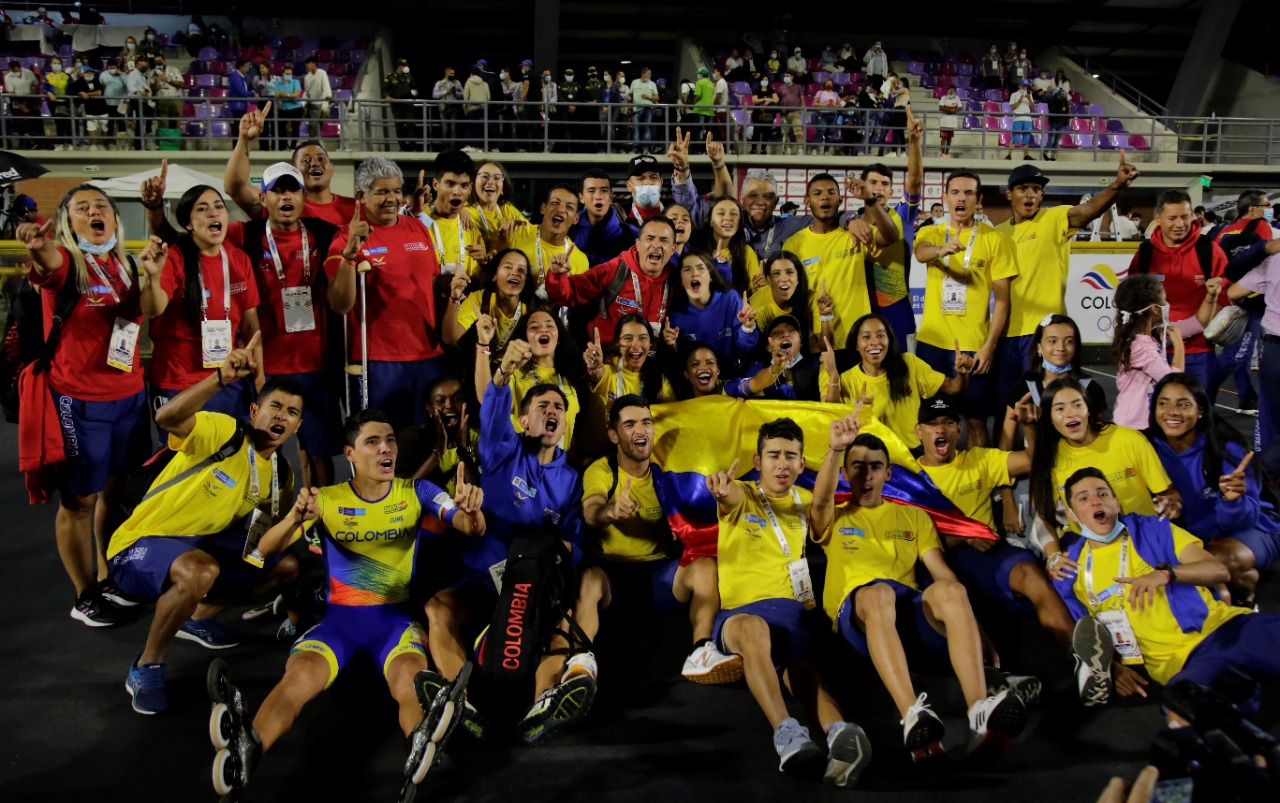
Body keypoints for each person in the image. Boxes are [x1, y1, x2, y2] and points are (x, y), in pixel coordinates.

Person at [204, 408, 485, 796]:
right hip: (338, 625)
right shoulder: (325, 499)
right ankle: (249, 745)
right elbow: (261, 552)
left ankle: (419, 743)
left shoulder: (418, 492)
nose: (386, 448)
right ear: (350, 454)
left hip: (395, 624)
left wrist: (471, 511)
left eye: (389, 440)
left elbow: (470, 528)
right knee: (298, 677)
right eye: (373, 442)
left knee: (409, 679)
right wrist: (293, 520)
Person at [811, 425, 1026, 763]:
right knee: (879, 593)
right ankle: (912, 714)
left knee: (951, 590)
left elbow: (941, 573)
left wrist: (974, 626)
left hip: (907, 614)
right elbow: (820, 500)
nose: (866, 475)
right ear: (844, 473)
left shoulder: (915, 517)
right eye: (857, 467)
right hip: (858, 616)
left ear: (888, 473)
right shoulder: (834, 516)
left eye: (875, 466)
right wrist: (835, 448)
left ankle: (979, 711)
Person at [109, 354, 304, 713]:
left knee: (284, 567)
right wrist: (219, 378)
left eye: (291, 412)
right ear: (253, 411)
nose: (281, 415)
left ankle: (197, 617)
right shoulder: (223, 431)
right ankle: (145, 666)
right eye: (274, 406)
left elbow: (263, 541)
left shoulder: (282, 473)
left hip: (200, 549)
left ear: (297, 425)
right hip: (141, 542)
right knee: (200, 570)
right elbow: (167, 417)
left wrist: (299, 520)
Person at [424, 342, 589, 744]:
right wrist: (501, 375)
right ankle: (457, 701)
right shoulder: (502, 451)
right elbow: (492, 414)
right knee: (437, 608)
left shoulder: (572, 480)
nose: (552, 412)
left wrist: (557, 552)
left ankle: (543, 703)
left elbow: (575, 542)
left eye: (559, 408)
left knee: (559, 629)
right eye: (542, 407)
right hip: (484, 580)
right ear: (523, 420)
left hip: (533, 586)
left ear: (566, 423)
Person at [705, 418, 873, 786]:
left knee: (802, 673)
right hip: (741, 615)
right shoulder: (742, 495)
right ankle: (787, 733)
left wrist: (836, 450)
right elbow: (727, 494)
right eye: (774, 455)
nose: (782, 464)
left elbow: (826, 499)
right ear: (758, 460)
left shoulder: (805, 502)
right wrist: (720, 490)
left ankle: (840, 732)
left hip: (793, 615)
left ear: (801, 464)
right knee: (753, 630)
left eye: (791, 457)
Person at [17, 186, 152, 625]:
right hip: (79, 402)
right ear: (67, 224)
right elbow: (49, 266)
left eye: (102, 207)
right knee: (79, 501)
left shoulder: (126, 264)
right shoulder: (68, 264)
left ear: (115, 219)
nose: (95, 212)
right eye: (82, 208)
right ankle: (85, 593)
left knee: (116, 495)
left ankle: (109, 574)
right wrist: (40, 249)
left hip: (129, 398)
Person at [1051, 467, 1280, 722]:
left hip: (1228, 629)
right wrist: (1112, 668)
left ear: (1116, 502)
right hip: (1185, 662)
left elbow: (1217, 570)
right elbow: (1084, 637)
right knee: (1181, 722)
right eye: (1083, 498)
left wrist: (1165, 574)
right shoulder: (1070, 570)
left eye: (1103, 493)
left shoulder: (1153, 529)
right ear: (1071, 515)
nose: (1096, 501)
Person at [915, 395, 1090, 701]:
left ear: (958, 429)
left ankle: (1084, 661)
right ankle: (997, 680)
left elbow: (1034, 460)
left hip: (988, 555)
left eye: (946, 422)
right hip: (938, 559)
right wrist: (965, 536)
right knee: (952, 603)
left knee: (1031, 574)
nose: (939, 429)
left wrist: (1029, 427)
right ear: (919, 431)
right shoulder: (909, 478)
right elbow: (909, 538)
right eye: (931, 424)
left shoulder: (980, 459)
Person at [581, 394, 740, 683]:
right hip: (613, 577)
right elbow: (591, 512)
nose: (640, 430)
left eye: (646, 422)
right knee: (589, 578)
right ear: (614, 435)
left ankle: (701, 651)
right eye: (630, 425)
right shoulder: (603, 471)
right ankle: (581, 662)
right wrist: (610, 511)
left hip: (658, 577)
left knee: (704, 566)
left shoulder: (667, 474)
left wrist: (724, 497)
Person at [995, 159, 1139, 402]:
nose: (1030, 195)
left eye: (1036, 189)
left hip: (1044, 333)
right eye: (1023, 189)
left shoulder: (1055, 218)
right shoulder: (997, 233)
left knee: (1051, 404)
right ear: (1009, 194)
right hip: (1006, 334)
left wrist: (1117, 185)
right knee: (1006, 406)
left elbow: (1090, 209)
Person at [324, 156, 443, 432]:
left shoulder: (417, 228)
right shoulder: (345, 237)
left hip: (428, 355)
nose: (392, 198)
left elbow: (433, 282)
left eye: (396, 190)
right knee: (382, 441)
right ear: (361, 196)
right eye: (382, 192)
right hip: (378, 360)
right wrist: (350, 256)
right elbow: (339, 304)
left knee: (427, 439)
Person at [1146, 373, 1280, 607]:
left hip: (1248, 529)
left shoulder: (1226, 447)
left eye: (1183, 404)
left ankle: (1238, 594)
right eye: (1163, 403)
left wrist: (1232, 501)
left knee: (1211, 563)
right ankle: (1238, 581)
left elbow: (1241, 521)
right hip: (1194, 537)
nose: (1172, 412)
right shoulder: (1144, 448)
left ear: (1200, 411)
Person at [913, 171, 1018, 446]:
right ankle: (935, 480)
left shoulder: (995, 240)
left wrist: (989, 347)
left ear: (978, 200)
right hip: (932, 343)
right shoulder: (931, 231)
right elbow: (920, 252)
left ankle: (978, 484)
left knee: (975, 421)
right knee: (932, 420)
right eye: (956, 192)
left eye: (969, 193)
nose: (962, 198)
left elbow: (1003, 301)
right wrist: (942, 250)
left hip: (973, 345)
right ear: (946, 197)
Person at [142, 185, 264, 418]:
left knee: (232, 452)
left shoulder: (239, 260)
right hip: (179, 383)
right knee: (185, 454)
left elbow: (251, 326)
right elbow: (152, 309)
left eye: (219, 206)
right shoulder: (175, 259)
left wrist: (260, 379)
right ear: (188, 224)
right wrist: (152, 277)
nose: (213, 213)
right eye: (202, 208)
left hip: (229, 380)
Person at [1028, 377, 1182, 558]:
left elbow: (1169, 494)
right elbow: (1045, 517)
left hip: (1144, 541)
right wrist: (1054, 557)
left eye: (1077, 405)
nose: (1071, 414)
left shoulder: (1129, 440)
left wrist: (1172, 504)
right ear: (1050, 419)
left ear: (1089, 411)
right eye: (1060, 409)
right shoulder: (1050, 458)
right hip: (1094, 551)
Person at [997, 314, 1108, 541]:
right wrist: (1007, 501)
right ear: (1039, 347)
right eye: (1052, 341)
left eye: (1069, 341)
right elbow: (1002, 454)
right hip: (1035, 479)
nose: (1061, 348)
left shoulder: (1091, 389)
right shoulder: (1022, 390)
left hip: (1079, 478)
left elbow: (1102, 442)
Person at [1128, 189, 1229, 401]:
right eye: (1172, 218)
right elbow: (1133, 302)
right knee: (1155, 418)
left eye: (1185, 217)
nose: (1180, 224)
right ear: (1158, 218)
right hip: (1156, 354)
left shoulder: (1209, 250)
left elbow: (1225, 296)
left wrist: (1203, 326)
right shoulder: (1145, 254)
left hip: (1200, 353)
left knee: (1201, 416)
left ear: (1193, 215)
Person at [782, 174, 898, 350]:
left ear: (840, 199)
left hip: (857, 341)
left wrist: (869, 198)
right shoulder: (794, 244)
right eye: (817, 193)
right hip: (817, 343)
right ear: (807, 201)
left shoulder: (855, 233)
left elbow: (890, 236)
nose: (825, 197)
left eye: (831, 192)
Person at [821, 314, 970, 449]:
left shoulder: (910, 364)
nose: (874, 342)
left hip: (914, 454)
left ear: (889, 340)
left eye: (881, 335)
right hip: (873, 458)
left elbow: (953, 388)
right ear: (856, 345)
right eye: (866, 337)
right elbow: (830, 418)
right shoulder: (847, 379)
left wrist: (962, 374)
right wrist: (834, 377)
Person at [545, 216, 676, 349]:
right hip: (606, 359)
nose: (656, 245)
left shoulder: (676, 281)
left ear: (672, 249)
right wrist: (558, 276)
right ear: (638, 243)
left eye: (664, 240)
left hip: (646, 360)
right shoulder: (615, 270)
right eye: (650, 238)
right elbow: (568, 294)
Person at [1110, 274, 1218, 430]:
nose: (1167, 305)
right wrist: (1179, 345)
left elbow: (1198, 323)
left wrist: (1211, 296)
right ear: (1154, 309)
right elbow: (1173, 380)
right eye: (1164, 300)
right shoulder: (1141, 347)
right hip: (1135, 425)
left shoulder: (1149, 336)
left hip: (1142, 421)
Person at [475, 306, 586, 453]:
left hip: (555, 468)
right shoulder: (513, 373)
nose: (543, 329)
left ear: (558, 338)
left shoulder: (569, 378)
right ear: (525, 338)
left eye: (549, 325)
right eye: (534, 327)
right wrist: (483, 344)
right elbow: (486, 398)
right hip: (521, 465)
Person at [225, 104, 358, 227]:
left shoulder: (356, 208)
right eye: (306, 161)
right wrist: (245, 139)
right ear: (294, 171)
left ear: (331, 168)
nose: (315, 163)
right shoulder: (281, 204)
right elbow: (235, 187)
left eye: (321, 159)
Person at [860, 121, 924, 351]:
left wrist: (914, 142)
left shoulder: (902, 215)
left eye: (885, 184)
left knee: (903, 373)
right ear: (862, 186)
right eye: (873, 182)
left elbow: (915, 181)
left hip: (898, 308)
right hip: (861, 308)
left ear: (891, 191)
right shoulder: (851, 224)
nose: (879, 188)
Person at [663, 249, 758, 372]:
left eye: (701, 268)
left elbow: (746, 348)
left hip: (733, 374)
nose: (694, 274)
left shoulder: (730, 298)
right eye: (687, 269)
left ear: (711, 276)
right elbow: (679, 360)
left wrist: (747, 328)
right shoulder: (676, 314)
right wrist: (672, 346)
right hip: (699, 379)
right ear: (680, 280)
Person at [498, 183, 590, 293]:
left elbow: (577, 303)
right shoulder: (515, 234)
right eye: (555, 203)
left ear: (576, 218)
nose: (561, 209)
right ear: (543, 208)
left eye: (569, 207)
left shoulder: (580, 260)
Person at [442, 248, 536, 351]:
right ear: (494, 275)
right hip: (482, 364)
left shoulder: (533, 308)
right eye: (508, 267)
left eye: (521, 270)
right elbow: (449, 338)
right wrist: (454, 298)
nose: (515, 273)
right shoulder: (480, 299)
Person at [417, 149, 484, 278]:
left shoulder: (470, 227)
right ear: (436, 184)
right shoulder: (419, 221)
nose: (457, 191)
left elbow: (476, 279)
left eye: (464, 186)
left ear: (470, 189)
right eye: (450, 184)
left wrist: (482, 264)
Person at [726, 314, 820, 400]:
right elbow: (731, 389)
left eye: (791, 330)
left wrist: (833, 376)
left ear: (801, 342)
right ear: (768, 347)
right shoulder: (757, 368)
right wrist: (774, 370)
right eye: (776, 333)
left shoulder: (817, 367)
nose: (785, 334)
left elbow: (830, 408)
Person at [747, 250, 825, 352]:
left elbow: (825, 347)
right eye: (776, 273)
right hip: (771, 357)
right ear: (768, 279)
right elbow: (756, 350)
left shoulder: (811, 298)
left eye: (789, 272)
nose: (784, 279)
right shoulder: (756, 304)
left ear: (798, 277)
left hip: (809, 355)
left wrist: (826, 316)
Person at [570, 168, 638, 266]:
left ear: (611, 196)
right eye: (591, 191)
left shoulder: (632, 234)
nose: (598, 196)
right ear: (581, 198)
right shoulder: (569, 231)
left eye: (604, 190)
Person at [467, 160, 528, 254]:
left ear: (502, 188)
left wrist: (517, 222)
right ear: (473, 183)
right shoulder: (464, 211)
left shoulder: (506, 208)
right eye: (485, 176)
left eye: (496, 178)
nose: (490, 182)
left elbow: (529, 230)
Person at [384, 58, 421, 150]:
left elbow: (414, 87)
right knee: (399, 125)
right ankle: (402, 146)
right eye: (404, 66)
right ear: (399, 66)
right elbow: (384, 89)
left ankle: (412, 145)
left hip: (408, 104)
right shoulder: (390, 77)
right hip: (396, 105)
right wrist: (386, 96)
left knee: (410, 124)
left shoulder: (408, 76)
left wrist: (415, 92)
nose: (405, 67)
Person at [271, 66, 304, 152]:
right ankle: (283, 146)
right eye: (287, 74)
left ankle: (293, 147)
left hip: (296, 107)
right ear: (283, 74)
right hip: (284, 108)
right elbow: (276, 95)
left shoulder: (295, 82)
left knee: (295, 127)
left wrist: (285, 95)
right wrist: (289, 95)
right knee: (281, 127)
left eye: (290, 74)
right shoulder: (278, 84)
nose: (289, 75)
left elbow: (296, 94)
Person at [1006, 80, 1034, 161]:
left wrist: (1029, 99)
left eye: (1026, 86)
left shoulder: (1029, 95)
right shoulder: (1014, 95)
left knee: (1026, 137)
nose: (1025, 87)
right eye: (1023, 86)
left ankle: (1026, 155)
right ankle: (1009, 155)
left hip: (1028, 118)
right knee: (1015, 137)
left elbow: (1032, 107)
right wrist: (1020, 100)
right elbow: (1012, 107)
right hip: (1017, 118)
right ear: (1019, 86)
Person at [302, 57, 332, 132]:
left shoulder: (322, 73)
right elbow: (307, 91)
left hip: (320, 101)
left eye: (309, 64)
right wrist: (304, 103)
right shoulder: (307, 77)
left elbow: (326, 85)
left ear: (314, 63)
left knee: (317, 124)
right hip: (311, 102)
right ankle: (312, 140)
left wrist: (328, 95)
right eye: (307, 64)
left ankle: (316, 140)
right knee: (312, 124)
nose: (308, 66)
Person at [937, 86, 961, 158]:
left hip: (952, 121)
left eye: (953, 91)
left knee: (949, 138)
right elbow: (940, 107)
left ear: (955, 92)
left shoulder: (957, 98)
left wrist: (953, 110)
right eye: (950, 90)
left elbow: (960, 108)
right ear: (948, 90)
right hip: (944, 120)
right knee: (943, 137)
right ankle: (942, 153)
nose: (951, 92)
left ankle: (947, 153)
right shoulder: (944, 98)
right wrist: (950, 110)